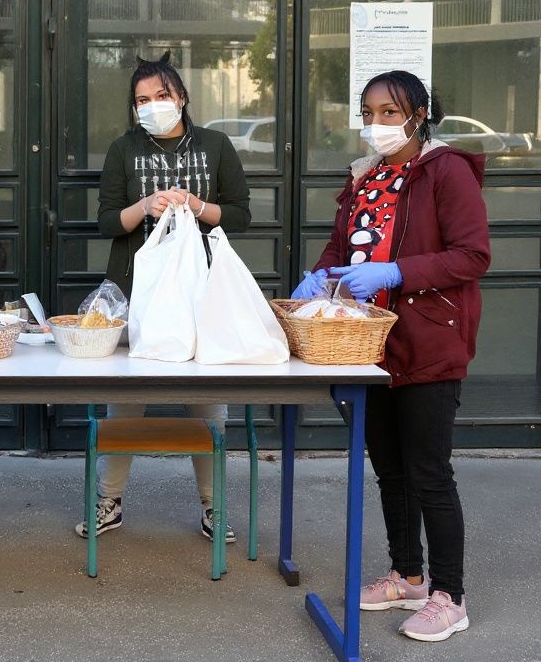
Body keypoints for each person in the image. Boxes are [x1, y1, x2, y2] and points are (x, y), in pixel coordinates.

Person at [291, 70, 488, 642]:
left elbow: (472, 256)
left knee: (429, 474)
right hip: (368, 343)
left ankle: (450, 595)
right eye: (369, 112)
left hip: (428, 338)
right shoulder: (367, 176)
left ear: (419, 114)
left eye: (389, 112)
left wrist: (398, 270)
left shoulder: (445, 171)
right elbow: (341, 241)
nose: (377, 124)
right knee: (391, 471)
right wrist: (320, 274)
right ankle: (407, 575)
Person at [76, 51, 251, 543]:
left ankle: (214, 506)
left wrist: (197, 205)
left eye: (161, 96)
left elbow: (240, 216)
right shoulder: (123, 149)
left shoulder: (215, 146)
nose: (152, 106)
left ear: (182, 98)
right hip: (136, 293)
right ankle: (109, 501)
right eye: (141, 100)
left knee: (208, 403)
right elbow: (106, 221)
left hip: (203, 294)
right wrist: (144, 205)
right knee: (126, 403)